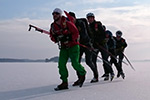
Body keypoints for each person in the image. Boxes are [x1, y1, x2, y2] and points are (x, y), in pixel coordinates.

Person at [49, 8, 86, 91]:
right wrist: (56, 38)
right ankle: (64, 82)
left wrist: (69, 38)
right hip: (64, 48)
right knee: (61, 65)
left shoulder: (67, 23)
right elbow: (52, 36)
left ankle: (82, 73)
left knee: (75, 63)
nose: (54, 15)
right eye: (53, 14)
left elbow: (76, 33)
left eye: (57, 13)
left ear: (60, 15)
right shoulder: (53, 26)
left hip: (73, 46)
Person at [69, 12, 99, 85]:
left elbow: (84, 34)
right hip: (78, 45)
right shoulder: (69, 25)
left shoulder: (81, 23)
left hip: (87, 44)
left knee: (88, 61)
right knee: (76, 62)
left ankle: (96, 76)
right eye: (70, 19)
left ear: (75, 18)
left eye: (72, 18)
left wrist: (77, 39)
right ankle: (80, 78)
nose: (71, 20)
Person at [86, 13, 114, 81]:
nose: (90, 19)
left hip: (102, 45)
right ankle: (96, 76)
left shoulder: (98, 25)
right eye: (88, 18)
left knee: (105, 60)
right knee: (93, 61)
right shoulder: (88, 27)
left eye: (91, 18)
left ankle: (111, 72)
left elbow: (103, 34)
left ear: (93, 18)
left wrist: (98, 41)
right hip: (94, 46)